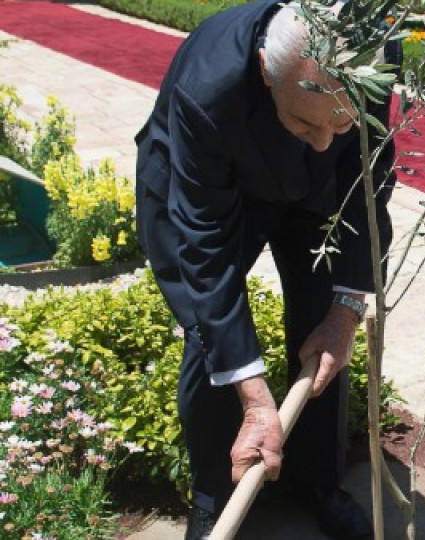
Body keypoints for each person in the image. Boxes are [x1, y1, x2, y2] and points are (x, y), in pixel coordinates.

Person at [134, 1, 396, 538]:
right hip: (212, 189)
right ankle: (214, 494)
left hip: (318, 191)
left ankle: (318, 480)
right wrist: (255, 396)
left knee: (325, 332)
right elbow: (205, 253)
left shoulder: (371, 53)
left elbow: (368, 180)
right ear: (264, 71)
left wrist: (345, 314)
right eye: (306, 119)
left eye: (339, 122)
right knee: (213, 335)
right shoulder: (208, 89)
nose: (326, 138)